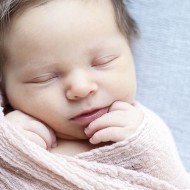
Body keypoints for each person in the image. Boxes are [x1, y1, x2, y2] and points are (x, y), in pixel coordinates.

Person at [0, 0, 190, 189]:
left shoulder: (144, 131)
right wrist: (7, 147)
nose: (81, 88)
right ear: (5, 88)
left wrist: (147, 147)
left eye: (102, 62)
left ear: (130, 51)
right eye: (44, 78)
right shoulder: (10, 139)